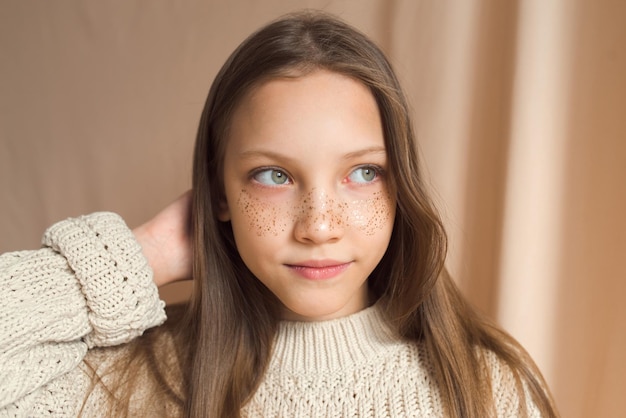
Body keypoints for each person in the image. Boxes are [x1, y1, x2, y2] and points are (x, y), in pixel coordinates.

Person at [0, 10, 559, 418]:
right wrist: (145, 254)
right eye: (275, 176)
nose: (319, 225)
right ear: (218, 192)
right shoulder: (127, 386)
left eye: (363, 172)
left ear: (399, 186)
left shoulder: (486, 391)